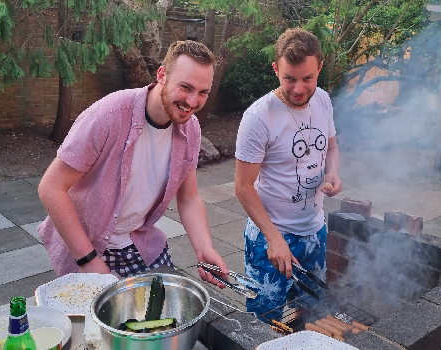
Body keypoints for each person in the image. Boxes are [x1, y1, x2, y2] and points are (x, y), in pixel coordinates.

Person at [36, 40, 229, 288]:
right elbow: (51, 188)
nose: (192, 102)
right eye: (185, 87)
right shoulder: (107, 116)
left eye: (203, 92)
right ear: (162, 75)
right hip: (90, 245)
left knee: (166, 316)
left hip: (142, 242)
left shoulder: (191, 128)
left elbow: (189, 197)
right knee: (103, 325)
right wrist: (87, 260)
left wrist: (205, 249)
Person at [234, 28, 343, 322]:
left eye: (307, 78)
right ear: (275, 69)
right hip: (271, 237)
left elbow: (331, 147)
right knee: (264, 321)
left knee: (311, 315)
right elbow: (243, 187)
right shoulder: (258, 118)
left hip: (315, 232)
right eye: (289, 78)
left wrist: (332, 172)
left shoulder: (322, 100)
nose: (298, 88)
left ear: (320, 67)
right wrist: (273, 238)